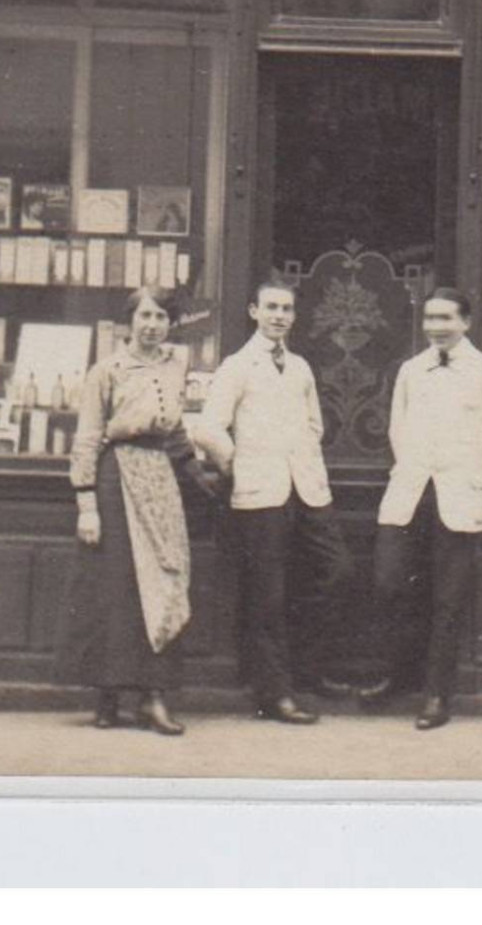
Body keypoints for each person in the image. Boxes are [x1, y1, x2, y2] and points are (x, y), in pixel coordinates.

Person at [194, 274, 356, 725]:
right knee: (268, 596)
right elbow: (208, 428)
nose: (279, 317)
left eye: (286, 309)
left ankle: (305, 670)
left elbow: (314, 427)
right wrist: (235, 464)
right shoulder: (237, 366)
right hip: (260, 492)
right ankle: (275, 694)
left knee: (338, 571)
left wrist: (302, 461)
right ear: (254, 311)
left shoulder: (301, 367)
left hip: (306, 489)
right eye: (271, 308)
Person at [365, 288, 482, 730]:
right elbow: (399, 431)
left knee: (448, 600)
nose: (436, 327)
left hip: (460, 500)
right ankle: (399, 678)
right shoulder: (411, 371)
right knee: (391, 584)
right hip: (411, 495)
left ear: (466, 323)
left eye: (446, 319)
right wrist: (414, 470)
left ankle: (436, 695)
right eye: (430, 319)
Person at [55, 286, 213, 736]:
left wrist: (198, 477)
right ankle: (107, 696)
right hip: (115, 478)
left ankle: (153, 698)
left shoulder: (174, 365)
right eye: (145, 315)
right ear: (130, 321)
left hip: (160, 479)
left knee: (163, 581)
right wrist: (86, 504)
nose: (152, 325)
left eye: (161, 317)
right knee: (115, 586)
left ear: (170, 324)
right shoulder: (107, 371)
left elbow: (177, 429)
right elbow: (87, 437)